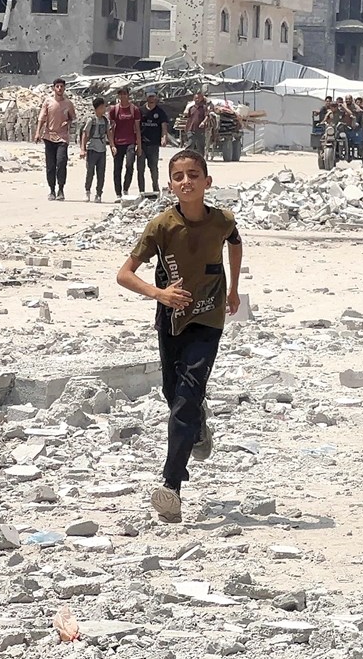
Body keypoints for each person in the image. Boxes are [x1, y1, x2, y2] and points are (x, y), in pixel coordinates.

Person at [115, 149, 243, 523]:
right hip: (171, 321)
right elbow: (124, 274)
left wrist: (234, 289)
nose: (186, 181)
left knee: (186, 397)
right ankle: (198, 426)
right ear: (170, 185)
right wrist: (160, 294)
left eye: (193, 175)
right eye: (178, 176)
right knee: (173, 395)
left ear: (207, 181)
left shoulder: (222, 220)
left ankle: (171, 486)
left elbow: (235, 242)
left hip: (209, 320)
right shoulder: (161, 226)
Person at [35, 78, 76, 201]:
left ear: (64, 88)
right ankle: (52, 190)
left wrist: (68, 122)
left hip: (62, 138)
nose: (59, 89)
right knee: (50, 166)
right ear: (53, 88)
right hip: (49, 137)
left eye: (61, 86)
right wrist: (37, 133)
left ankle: (61, 189)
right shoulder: (48, 102)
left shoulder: (68, 104)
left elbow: (73, 118)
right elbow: (42, 118)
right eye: (57, 86)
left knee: (61, 162)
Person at [138, 92, 171, 195]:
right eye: (149, 97)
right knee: (140, 169)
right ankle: (141, 191)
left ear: (156, 98)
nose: (151, 99)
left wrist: (164, 137)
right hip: (142, 144)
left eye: (153, 97)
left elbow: (164, 126)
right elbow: (136, 126)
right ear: (146, 98)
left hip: (153, 144)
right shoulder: (140, 110)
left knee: (153, 168)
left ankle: (155, 188)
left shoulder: (160, 112)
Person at [78, 97, 110, 203]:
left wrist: (112, 146)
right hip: (92, 149)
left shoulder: (105, 120)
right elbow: (85, 134)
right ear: (98, 108)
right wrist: (83, 149)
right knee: (90, 172)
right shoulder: (91, 120)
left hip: (102, 150)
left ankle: (99, 193)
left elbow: (109, 133)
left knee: (101, 173)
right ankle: (87, 191)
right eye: (103, 107)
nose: (104, 109)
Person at [185, 92, 210, 157]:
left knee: (200, 146)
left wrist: (203, 122)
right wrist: (186, 128)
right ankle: (186, 157)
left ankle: (201, 159)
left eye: (199, 98)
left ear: (201, 99)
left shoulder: (204, 108)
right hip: (191, 129)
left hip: (200, 130)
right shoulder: (191, 108)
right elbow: (188, 119)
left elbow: (207, 116)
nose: (197, 99)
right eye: (196, 98)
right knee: (190, 143)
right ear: (193, 99)